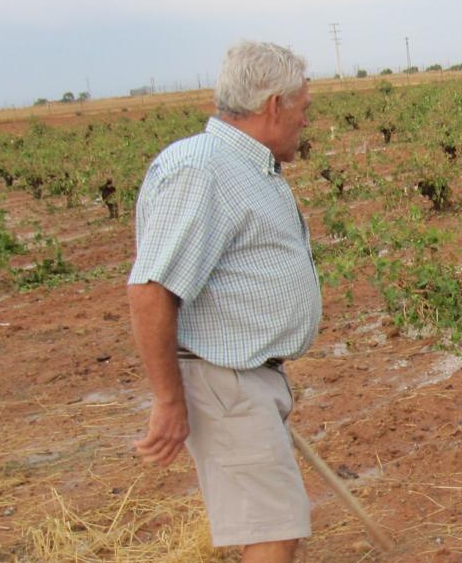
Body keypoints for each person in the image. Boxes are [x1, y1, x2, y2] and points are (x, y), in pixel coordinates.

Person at [127, 40, 320, 563]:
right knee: (271, 533)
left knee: (276, 524)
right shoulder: (203, 170)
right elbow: (151, 289)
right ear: (274, 106)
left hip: (247, 378)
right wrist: (170, 402)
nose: (307, 121)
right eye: (303, 109)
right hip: (224, 380)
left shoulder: (244, 167)